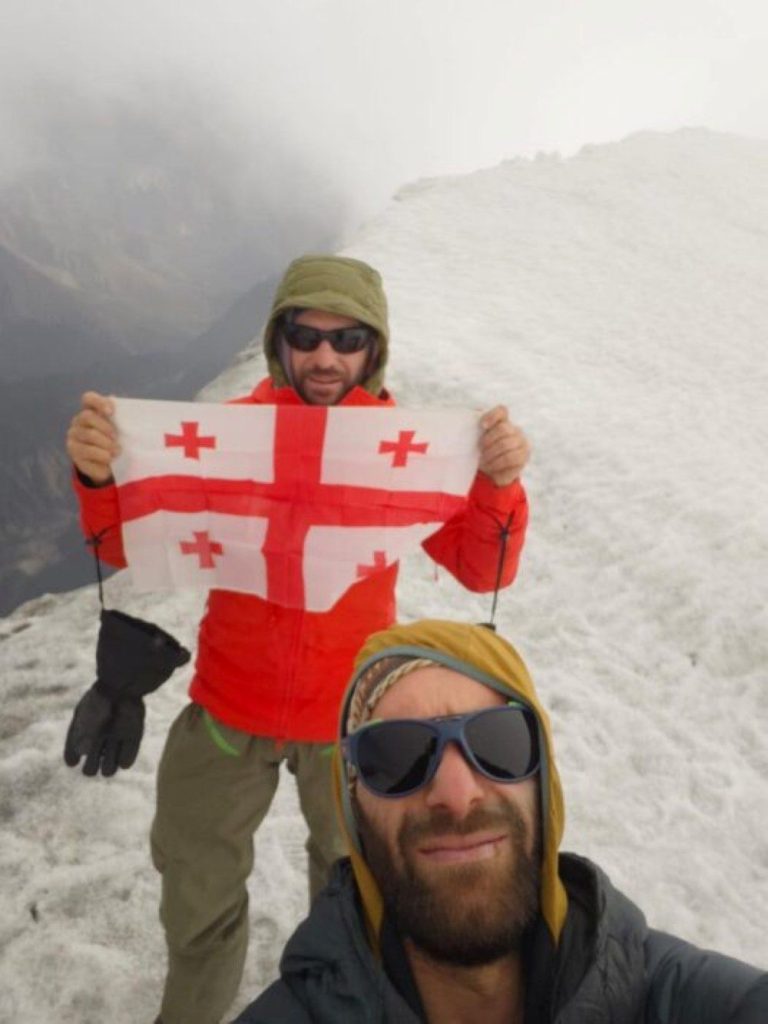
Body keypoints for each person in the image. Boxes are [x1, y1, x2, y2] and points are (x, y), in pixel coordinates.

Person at [64, 255, 532, 1024]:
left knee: (361, 907)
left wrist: (497, 486)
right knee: (196, 898)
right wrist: (98, 478)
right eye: (305, 335)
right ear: (278, 342)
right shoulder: (228, 438)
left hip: (350, 725)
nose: (325, 356)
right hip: (227, 711)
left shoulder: (404, 452)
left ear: (373, 350)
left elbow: (486, 564)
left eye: (347, 338)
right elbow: (124, 544)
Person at [235, 618, 768, 1024]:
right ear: (354, 806)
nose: (457, 794)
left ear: (544, 784)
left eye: (498, 742)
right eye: (397, 755)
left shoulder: (680, 995)